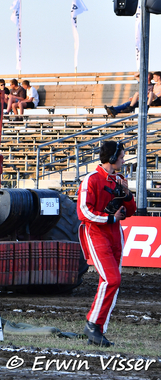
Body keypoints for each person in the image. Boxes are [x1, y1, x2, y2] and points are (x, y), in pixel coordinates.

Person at [76, 140, 136, 347]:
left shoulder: (119, 179)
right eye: (121, 156)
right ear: (111, 158)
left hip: (115, 235)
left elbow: (131, 211)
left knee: (113, 281)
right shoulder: (91, 180)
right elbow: (84, 212)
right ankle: (93, 324)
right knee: (112, 279)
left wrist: (127, 195)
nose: (123, 159)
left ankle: (99, 327)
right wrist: (110, 218)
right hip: (97, 233)